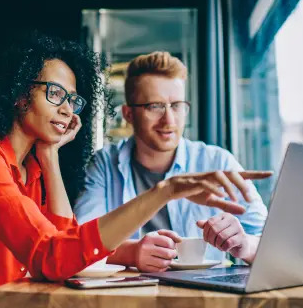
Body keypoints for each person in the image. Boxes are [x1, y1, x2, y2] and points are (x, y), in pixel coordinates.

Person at [0, 34, 271, 307]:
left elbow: (64, 244)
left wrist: (49, 156)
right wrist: (165, 191)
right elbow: (54, 256)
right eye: (55, 94)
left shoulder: (31, 167)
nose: (67, 109)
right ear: (17, 94)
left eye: (72, 99)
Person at [74, 52, 270, 272]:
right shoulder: (104, 164)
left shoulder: (217, 161)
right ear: (128, 114)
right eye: (155, 106)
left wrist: (245, 245)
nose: (169, 120)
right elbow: (78, 243)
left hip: (203, 297)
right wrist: (131, 252)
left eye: (176, 105)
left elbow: (272, 242)